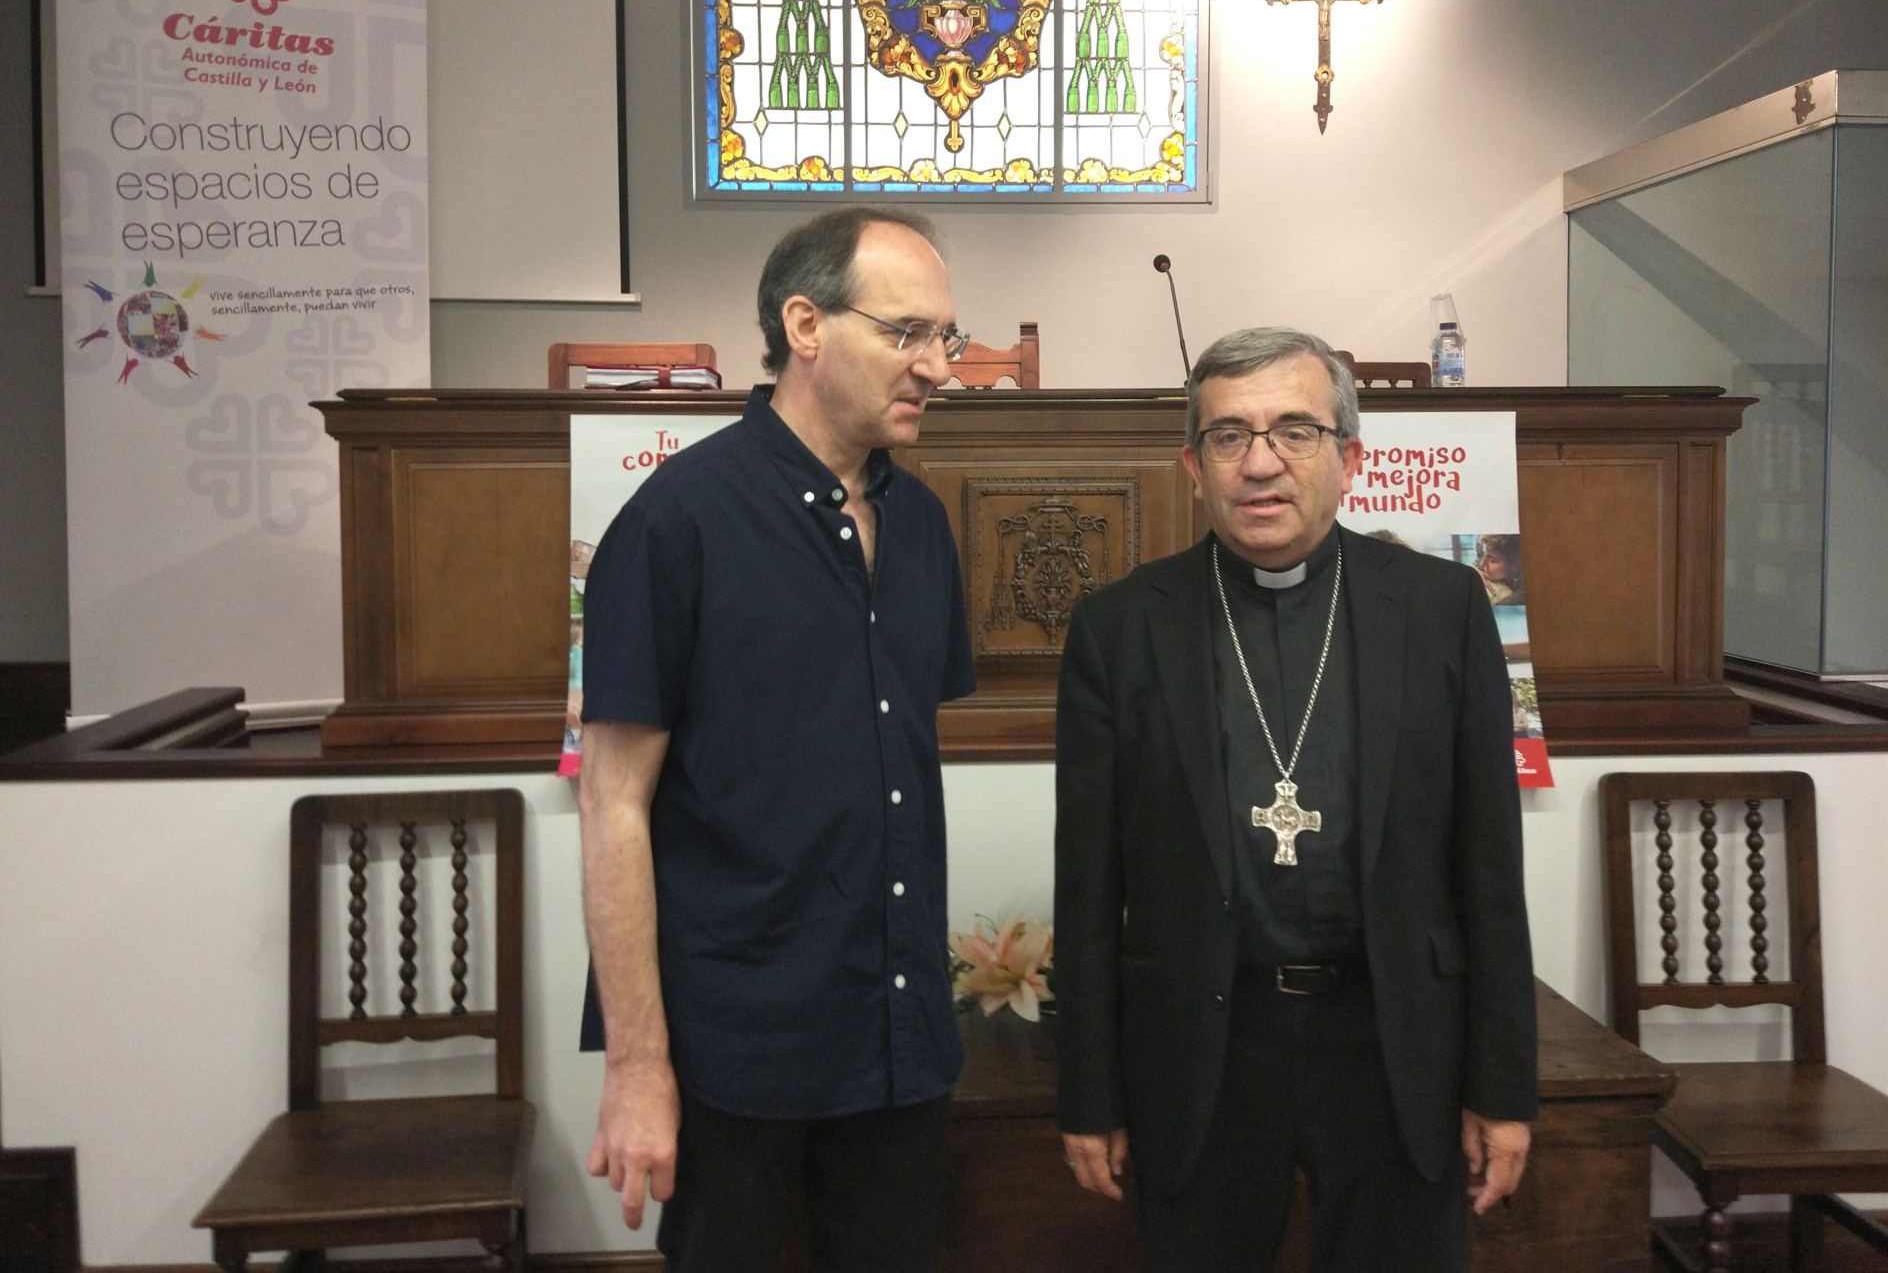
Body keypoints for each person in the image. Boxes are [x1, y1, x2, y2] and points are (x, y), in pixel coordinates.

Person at [1053, 327, 1537, 1273]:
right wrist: (1090, 1096)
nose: (1261, 463)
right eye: (1229, 437)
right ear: (1193, 466)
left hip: (1394, 1043)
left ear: (1350, 457)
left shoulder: (1443, 609)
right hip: (1206, 1047)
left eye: (1295, 432)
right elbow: (1086, 885)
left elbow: (1490, 867)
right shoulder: (1120, 628)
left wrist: (1504, 1085)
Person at [577, 207, 976, 1273]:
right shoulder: (677, 523)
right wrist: (637, 1066)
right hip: (737, 1049)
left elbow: (889, 772)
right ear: (805, 324)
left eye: (948, 338)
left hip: (897, 1035)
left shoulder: (926, 525)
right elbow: (611, 804)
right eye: (907, 334)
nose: (938, 367)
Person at [1474, 533, 1524, 606]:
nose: (1482, 563)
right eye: (1483, 554)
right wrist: (1473, 572)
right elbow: (1477, 564)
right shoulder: (1485, 552)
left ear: (1512, 565)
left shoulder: (1524, 587)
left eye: (1492, 560)